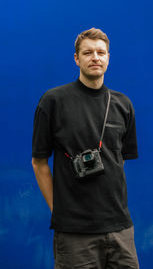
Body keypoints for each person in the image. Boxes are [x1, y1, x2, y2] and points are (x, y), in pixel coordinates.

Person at [32, 27, 139, 269]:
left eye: (101, 52)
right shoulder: (53, 101)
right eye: (88, 52)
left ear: (109, 58)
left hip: (120, 228)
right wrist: (57, 209)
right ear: (76, 58)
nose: (95, 57)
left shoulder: (123, 105)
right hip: (74, 232)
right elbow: (39, 163)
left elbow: (119, 160)